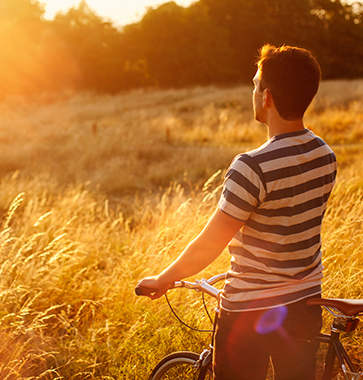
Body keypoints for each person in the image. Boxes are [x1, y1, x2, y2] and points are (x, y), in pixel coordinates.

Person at [136, 44, 337, 380]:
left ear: (266, 97)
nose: (253, 91)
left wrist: (163, 279)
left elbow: (209, 244)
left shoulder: (252, 166)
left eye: (256, 85)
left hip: (248, 312)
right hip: (304, 303)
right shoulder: (324, 154)